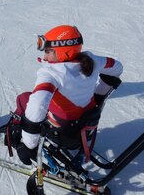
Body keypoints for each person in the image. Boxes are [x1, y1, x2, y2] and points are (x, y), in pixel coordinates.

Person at [6, 25, 123, 165]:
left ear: (63, 52)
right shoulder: (92, 60)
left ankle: (15, 132)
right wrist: (99, 95)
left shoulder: (51, 74)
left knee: (24, 98)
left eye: (48, 51)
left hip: (64, 133)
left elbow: (37, 107)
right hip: (86, 127)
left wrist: (28, 146)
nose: (44, 56)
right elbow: (117, 67)